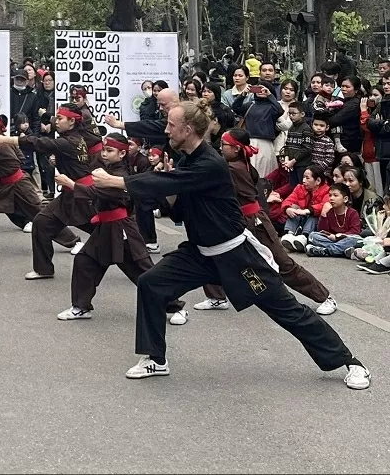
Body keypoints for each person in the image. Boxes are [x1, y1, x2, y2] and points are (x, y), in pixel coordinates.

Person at [91, 100, 369, 390]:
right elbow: (177, 203)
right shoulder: (187, 159)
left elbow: (164, 182)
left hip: (237, 256)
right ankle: (155, 359)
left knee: (287, 310)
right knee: (151, 283)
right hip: (200, 253)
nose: (166, 129)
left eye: (171, 125)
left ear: (187, 129)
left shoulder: (210, 163)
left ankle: (350, 362)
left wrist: (114, 181)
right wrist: (170, 195)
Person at [197, 128, 336, 315]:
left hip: (254, 222)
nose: (221, 148)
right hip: (236, 221)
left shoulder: (233, 168)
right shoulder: (239, 164)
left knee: (283, 263)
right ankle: (217, 297)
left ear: (237, 149)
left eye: (224, 145)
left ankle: (325, 297)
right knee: (216, 254)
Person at [53, 134, 186, 323]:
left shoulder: (120, 176)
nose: (104, 154)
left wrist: (71, 185)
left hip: (121, 229)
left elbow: (97, 192)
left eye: (109, 150)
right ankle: (81, 306)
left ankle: (176, 307)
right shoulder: (108, 169)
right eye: (104, 150)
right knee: (85, 261)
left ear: (122, 153)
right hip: (105, 227)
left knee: (144, 271)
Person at [0, 104, 103, 280]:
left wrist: (7, 140)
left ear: (72, 121)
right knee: (42, 222)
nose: (56, 121)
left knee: (106, 232)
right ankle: (43, 269)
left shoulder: (69, 141)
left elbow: (39, 143)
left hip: (81, 195)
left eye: (60, 118)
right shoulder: (74, 137)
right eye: (56, 117)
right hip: (70, 193)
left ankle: (137, 258)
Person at [0, 112, 45, 240]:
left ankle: (73, 241)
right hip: (4, 184)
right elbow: (21, 158)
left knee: (40, 214)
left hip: (18, 184)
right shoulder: (5, 140)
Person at [305, 182, 362, 257]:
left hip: (346, 238)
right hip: (332, 239)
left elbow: (355, 232)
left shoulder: (352, 213)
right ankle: (342, 251)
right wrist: (323, 215)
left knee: (356, 239)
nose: (331, 198)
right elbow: (322, 230)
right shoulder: (330, 212)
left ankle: (326, 251)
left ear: (345, 199)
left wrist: (338, 237)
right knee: (313, 235)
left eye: (335, 195)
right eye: (330, 195)